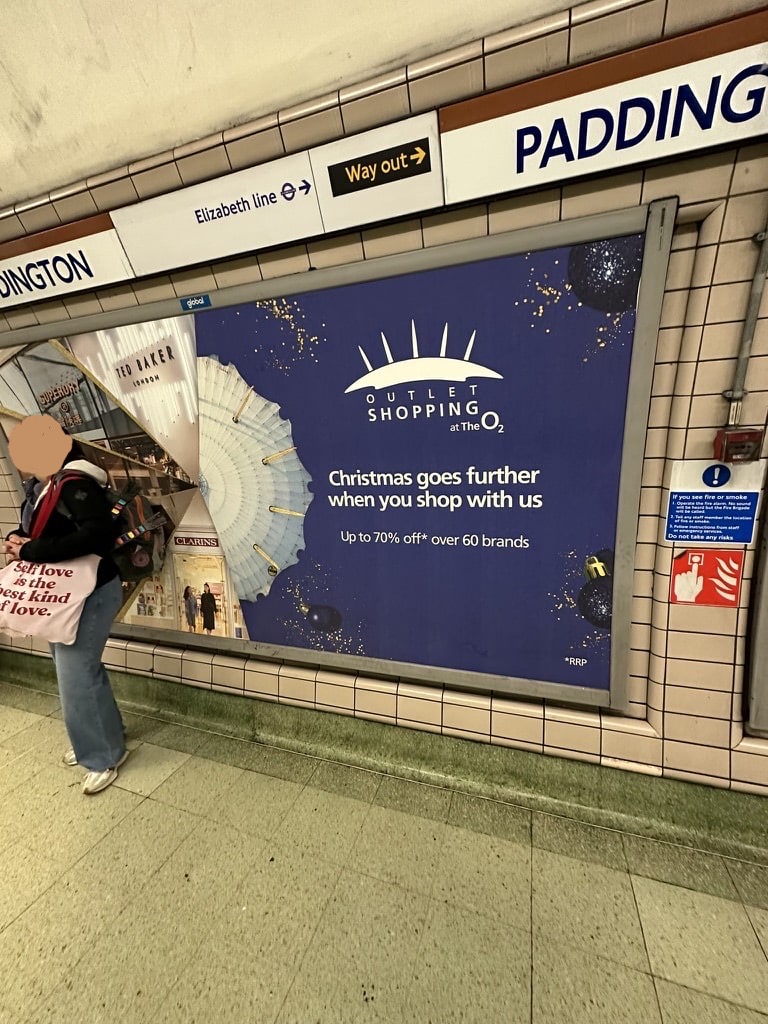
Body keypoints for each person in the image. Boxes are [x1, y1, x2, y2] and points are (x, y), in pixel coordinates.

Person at [2, 422, 128, 796]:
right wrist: (20, 540)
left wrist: (30, 550)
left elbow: (95, 536)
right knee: (80, 671)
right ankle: (105, 736)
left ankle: (101, 756)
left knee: (75, 675)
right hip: (69, 594)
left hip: (89, 593)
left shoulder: (76, 485)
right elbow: (51, 532)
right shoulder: (50, 486)